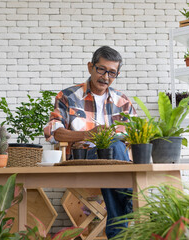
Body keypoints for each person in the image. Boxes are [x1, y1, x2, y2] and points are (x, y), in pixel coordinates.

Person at [44, 46, 136, 239]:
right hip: (83, 159)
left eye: (112, 72)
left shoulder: (122, 101)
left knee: (115, 150)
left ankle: (118, 231)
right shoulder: (68, 96)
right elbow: (54, 132)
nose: (106, 76)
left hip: (115, 163)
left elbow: (136, 135)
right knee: (114, 150)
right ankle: (132, 202)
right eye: (101, 69)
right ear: (90, 67)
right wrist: (88, 135)